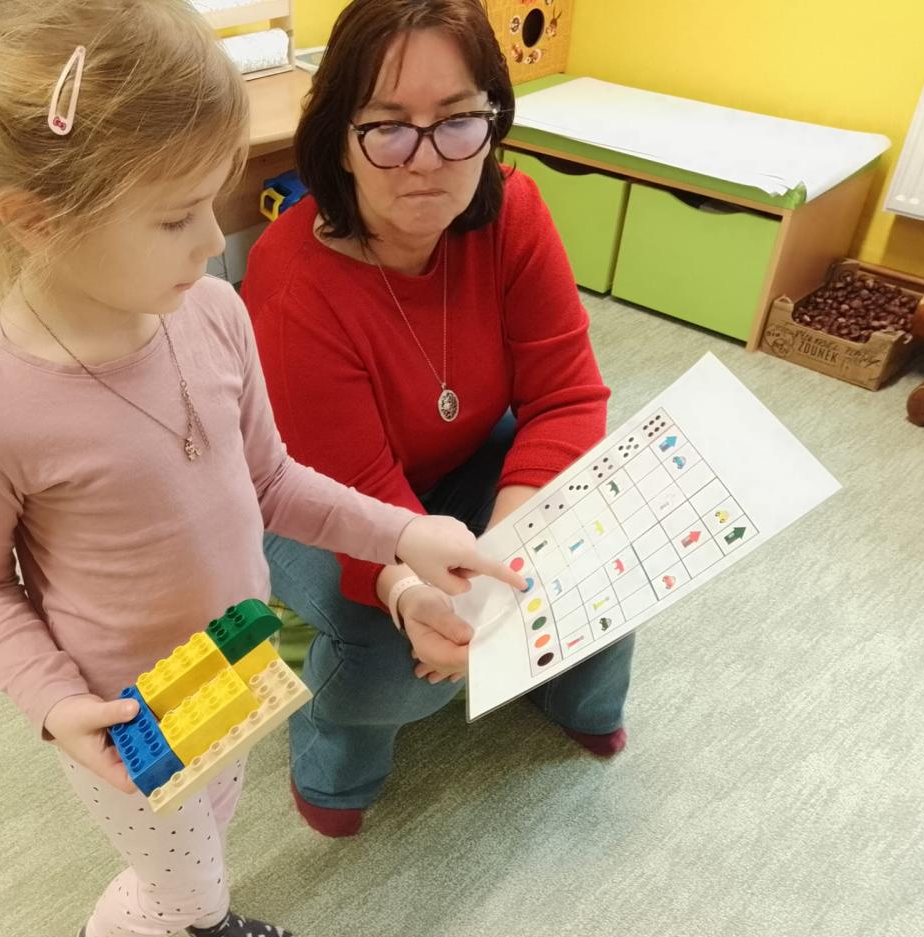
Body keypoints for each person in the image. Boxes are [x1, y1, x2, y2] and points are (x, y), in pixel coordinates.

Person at [0, 3, 519, 937]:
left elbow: (272, 481)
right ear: (37, 220)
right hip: (127, 719)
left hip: (237, 661)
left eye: (215, 197)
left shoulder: (213, 313)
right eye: (174, 216)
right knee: (175, 881)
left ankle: (202, 913)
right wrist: (54, 702)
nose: (213, 239)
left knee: (216, 821)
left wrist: (404, 535)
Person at [242, 0, 637, 839]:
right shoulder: (292, 278)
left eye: (457, 121)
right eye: (388, 127)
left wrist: (507, 558)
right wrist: (415, 590)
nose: (425, 162)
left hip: (459, 458)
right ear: (338, 138)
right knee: (384, 658)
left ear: (493, 122)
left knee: (593, 543)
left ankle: (575, 695)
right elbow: (352, 495)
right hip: (310, 501)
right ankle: (333, 766)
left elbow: (567, 397)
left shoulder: (514, 211)